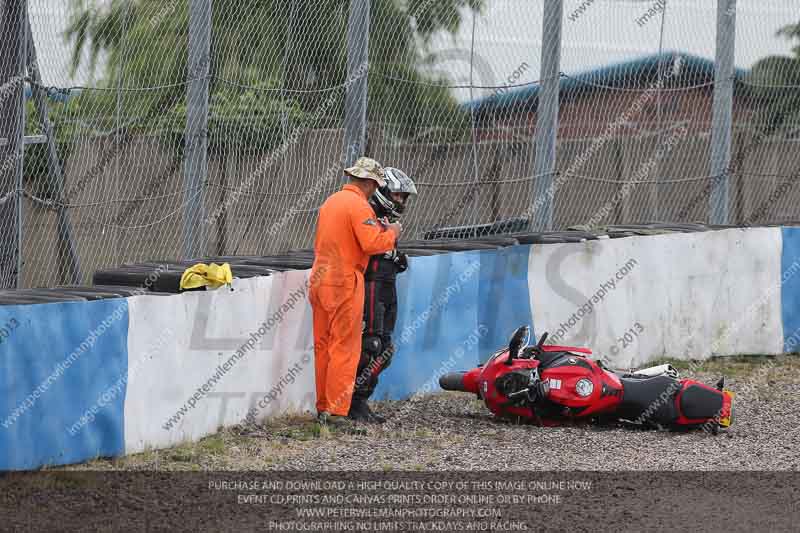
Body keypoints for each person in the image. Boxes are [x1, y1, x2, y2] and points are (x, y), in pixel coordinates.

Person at [309, 157, 402, 427]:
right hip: (344, 280)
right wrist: (392, 232)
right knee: (345, 348)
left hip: (319, 277)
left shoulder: (331, 201)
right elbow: (373, 243)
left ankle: (324, 408)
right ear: (371, 182)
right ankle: (337, 413)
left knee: (323, 346)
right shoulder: (359, 206)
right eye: (376, 185)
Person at [349, 167, 418, 424]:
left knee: (385, 347)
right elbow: (368, 249)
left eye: (403, 197)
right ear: (383, 191)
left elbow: (384, 253)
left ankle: (360, 401)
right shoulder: (368, 214)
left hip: (387, 286)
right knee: (372, 346)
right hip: (371, 287)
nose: (400, 201)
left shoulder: (387, 219)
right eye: (397, 195)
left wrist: (397, 258)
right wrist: (391, 237)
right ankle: (353, 403)